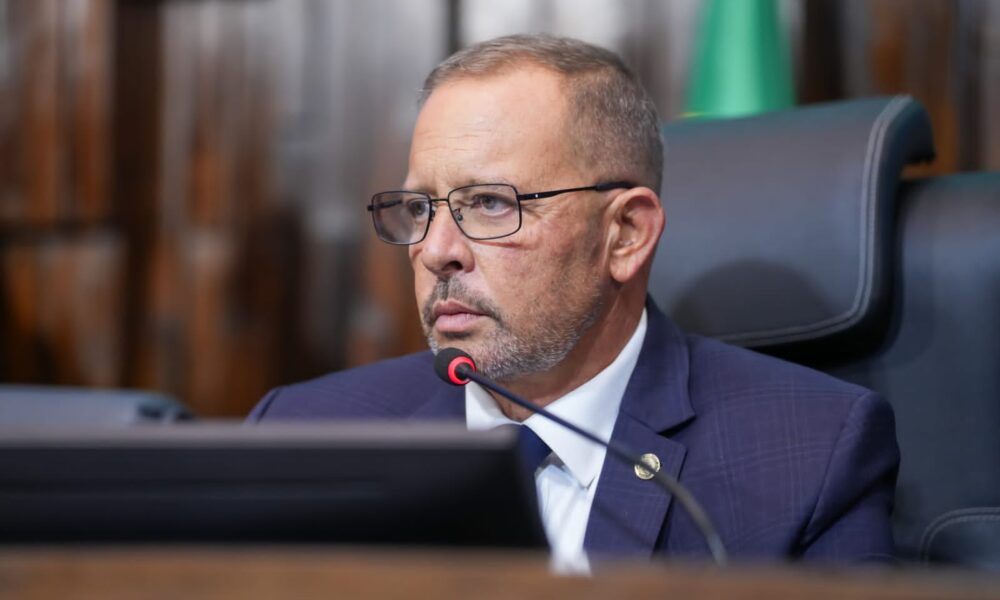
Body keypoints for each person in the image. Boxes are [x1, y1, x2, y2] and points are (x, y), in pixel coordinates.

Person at [249, 34, 899, 569]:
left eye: (490, 203)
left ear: (625, 234)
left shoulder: (809, 454)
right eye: (421, 207)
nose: (436, 249)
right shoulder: (303, 435)